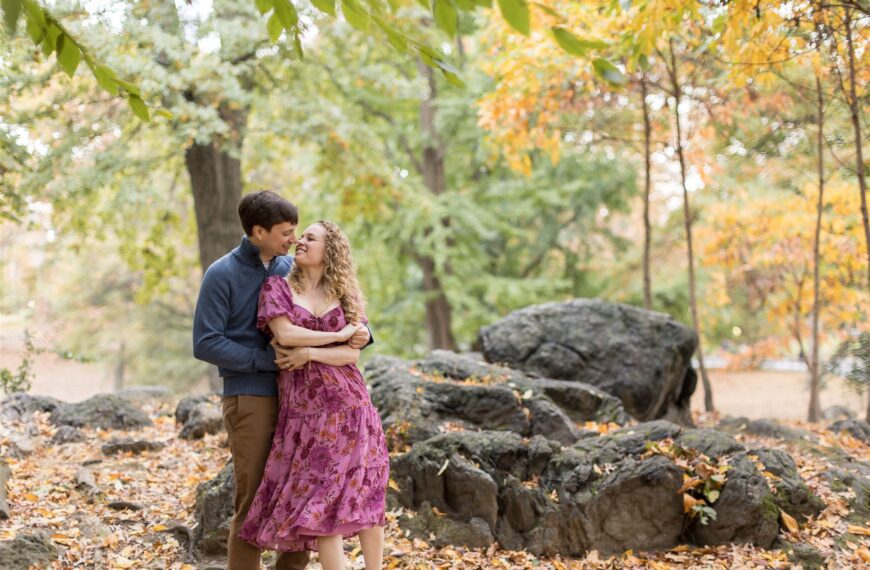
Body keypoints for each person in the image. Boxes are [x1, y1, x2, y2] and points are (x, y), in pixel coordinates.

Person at [193, 191, 371, 570]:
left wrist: (364, 334)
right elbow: (205, 342)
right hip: (252, 395)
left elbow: (334, 302)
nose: (293, 239)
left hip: (303, 402)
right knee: (256, 494)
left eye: (297, 232)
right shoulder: (221, 273)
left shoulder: (287, 267)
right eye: (285, 232)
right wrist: (268, 362)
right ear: (259, 231)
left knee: (302, 494)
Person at [238, 220, 389, 570]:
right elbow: (286, 334)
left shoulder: (346, 295)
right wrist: (340, 335)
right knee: (323, 502)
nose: (300, 242)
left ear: (330, 250)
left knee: (366, 494)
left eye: (310, 238)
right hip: (307, 414)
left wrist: (310, 354)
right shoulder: (276, 288)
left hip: (353, 408)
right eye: (300, 236)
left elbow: (351, 356)